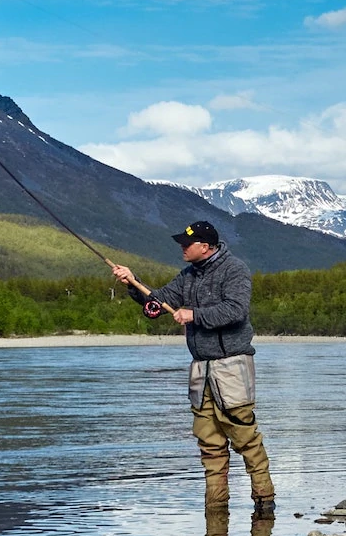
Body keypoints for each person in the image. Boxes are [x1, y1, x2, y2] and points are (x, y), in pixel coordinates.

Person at [112, 221, 276, 517]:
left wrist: (194, 315)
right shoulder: (188, 275)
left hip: (232, 365)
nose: (182, 248)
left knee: (246, 439)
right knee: (209, 445)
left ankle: (265, 504)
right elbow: (159, 301)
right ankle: (216, 512)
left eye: (187, 244)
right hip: (201, 370)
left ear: (205, 246)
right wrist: (132, 282)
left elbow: (236, 310)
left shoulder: (234, 269)